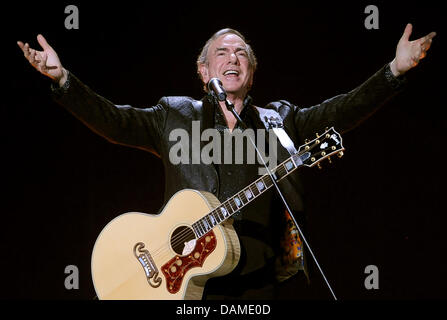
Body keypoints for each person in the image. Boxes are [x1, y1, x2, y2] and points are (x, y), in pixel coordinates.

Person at [17, 25, 435, 300]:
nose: (233, 58)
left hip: (260, 285)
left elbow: (339, 112)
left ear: (251, 72)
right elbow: (114, 121)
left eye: (242, 54)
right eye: (222, 52)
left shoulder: (279, 122)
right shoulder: (174, 115)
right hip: (185, 285)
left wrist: (393, 71)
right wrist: (64, 81)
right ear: (203, 70)